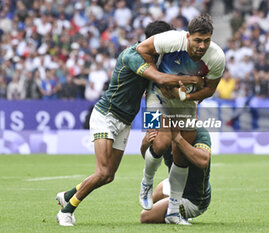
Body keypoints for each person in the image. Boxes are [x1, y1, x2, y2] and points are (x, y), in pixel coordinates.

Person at [55, 21, 203, 227]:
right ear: (157, 42)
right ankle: (66, 211)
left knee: (108, 177)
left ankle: (68, 195)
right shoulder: (132, 55)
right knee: (103, 171)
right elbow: (158, 78)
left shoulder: (159, 59)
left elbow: (154, 94)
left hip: (124, 122)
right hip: (106, 115)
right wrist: (192, 80)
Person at [137, 14, 225, 224]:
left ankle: (174, 211)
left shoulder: (217, 57)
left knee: (180, 152)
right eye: (197, 40)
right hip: (156, 94)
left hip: (184, 102)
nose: (202, 45)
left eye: (207, 40)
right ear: (187, 36)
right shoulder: (170, 40)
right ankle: (146, 182)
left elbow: (210, 90)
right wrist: (159, 77)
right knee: (161, 141)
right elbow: (142, 49)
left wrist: (185, 96)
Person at [139, 126, 212, 224]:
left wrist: (179, 140)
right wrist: (145, 143)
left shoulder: (199, 132)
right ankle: (172, 210)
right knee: (158, 191)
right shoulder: (164, 131)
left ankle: (178, 212)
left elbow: (203, 161)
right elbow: (148, 156)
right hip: (174, 185)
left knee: (145, 216)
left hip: (193, 199)